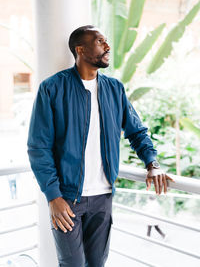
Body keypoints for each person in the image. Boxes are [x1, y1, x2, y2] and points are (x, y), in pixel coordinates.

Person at [27, 25, 174, 267]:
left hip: (103, 197)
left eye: (106, 41)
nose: (107, 46)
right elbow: (38, 147)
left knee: (97, 263)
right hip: (67, 199)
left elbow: (136, 131)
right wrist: (53, 196)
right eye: (100, 41)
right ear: (81, 49)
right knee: (72, 264)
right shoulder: (52, 88)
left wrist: (153, 163)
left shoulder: (114, 89)